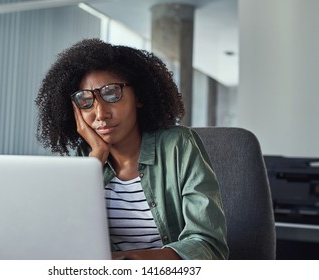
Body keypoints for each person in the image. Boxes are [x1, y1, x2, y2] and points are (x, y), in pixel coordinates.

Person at [35, 38, 229, 260]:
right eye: (85, 100)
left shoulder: (178, 145)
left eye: (111, 94)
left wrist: (126, 263)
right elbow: (62, 240)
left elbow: (208, 246)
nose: (100, 114)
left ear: (139, 96)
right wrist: (95, 158)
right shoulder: (85, 159)